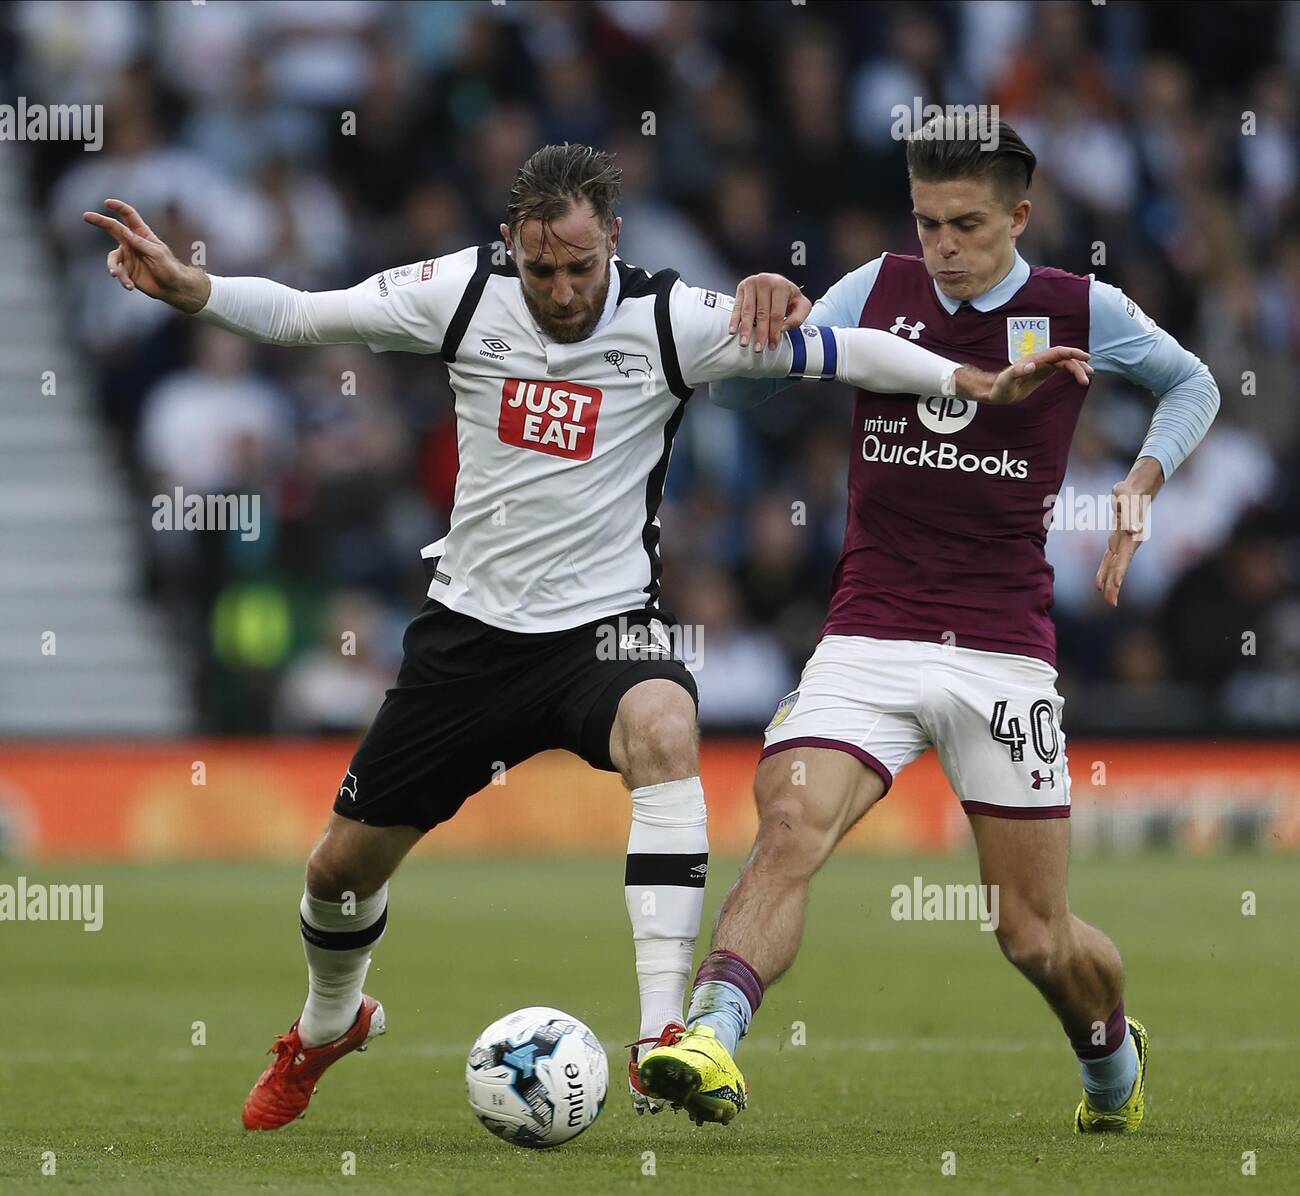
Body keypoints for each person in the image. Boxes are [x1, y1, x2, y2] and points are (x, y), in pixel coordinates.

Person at [86, 141, 1087, 1132]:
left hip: (602, 632)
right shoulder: (457, 295)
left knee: (663, 726)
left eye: (578, 268)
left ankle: (662, 1035)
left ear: (612, 238)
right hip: (468, 640)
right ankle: (328, 1024)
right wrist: (194, 288)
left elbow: (837, 353)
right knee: (336, 875)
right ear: (508, 247)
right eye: (539, 269)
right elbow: (308, 314)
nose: (561, 291)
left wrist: (969, 381)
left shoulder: (669, 318)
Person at [639, 120, 1219, 1133]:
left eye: (965, 225)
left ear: (1020, 218)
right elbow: (781, 358)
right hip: (868, 630)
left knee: (1033, 937)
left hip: (1001, 650)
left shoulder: (1080, 307)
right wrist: (767, 305)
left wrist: (1141, 478)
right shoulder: (876, 289)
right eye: (926, 223)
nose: (942, 246)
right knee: (788, 825)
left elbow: (1194, 382)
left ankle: (1111, 1063)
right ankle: (711, 1036)